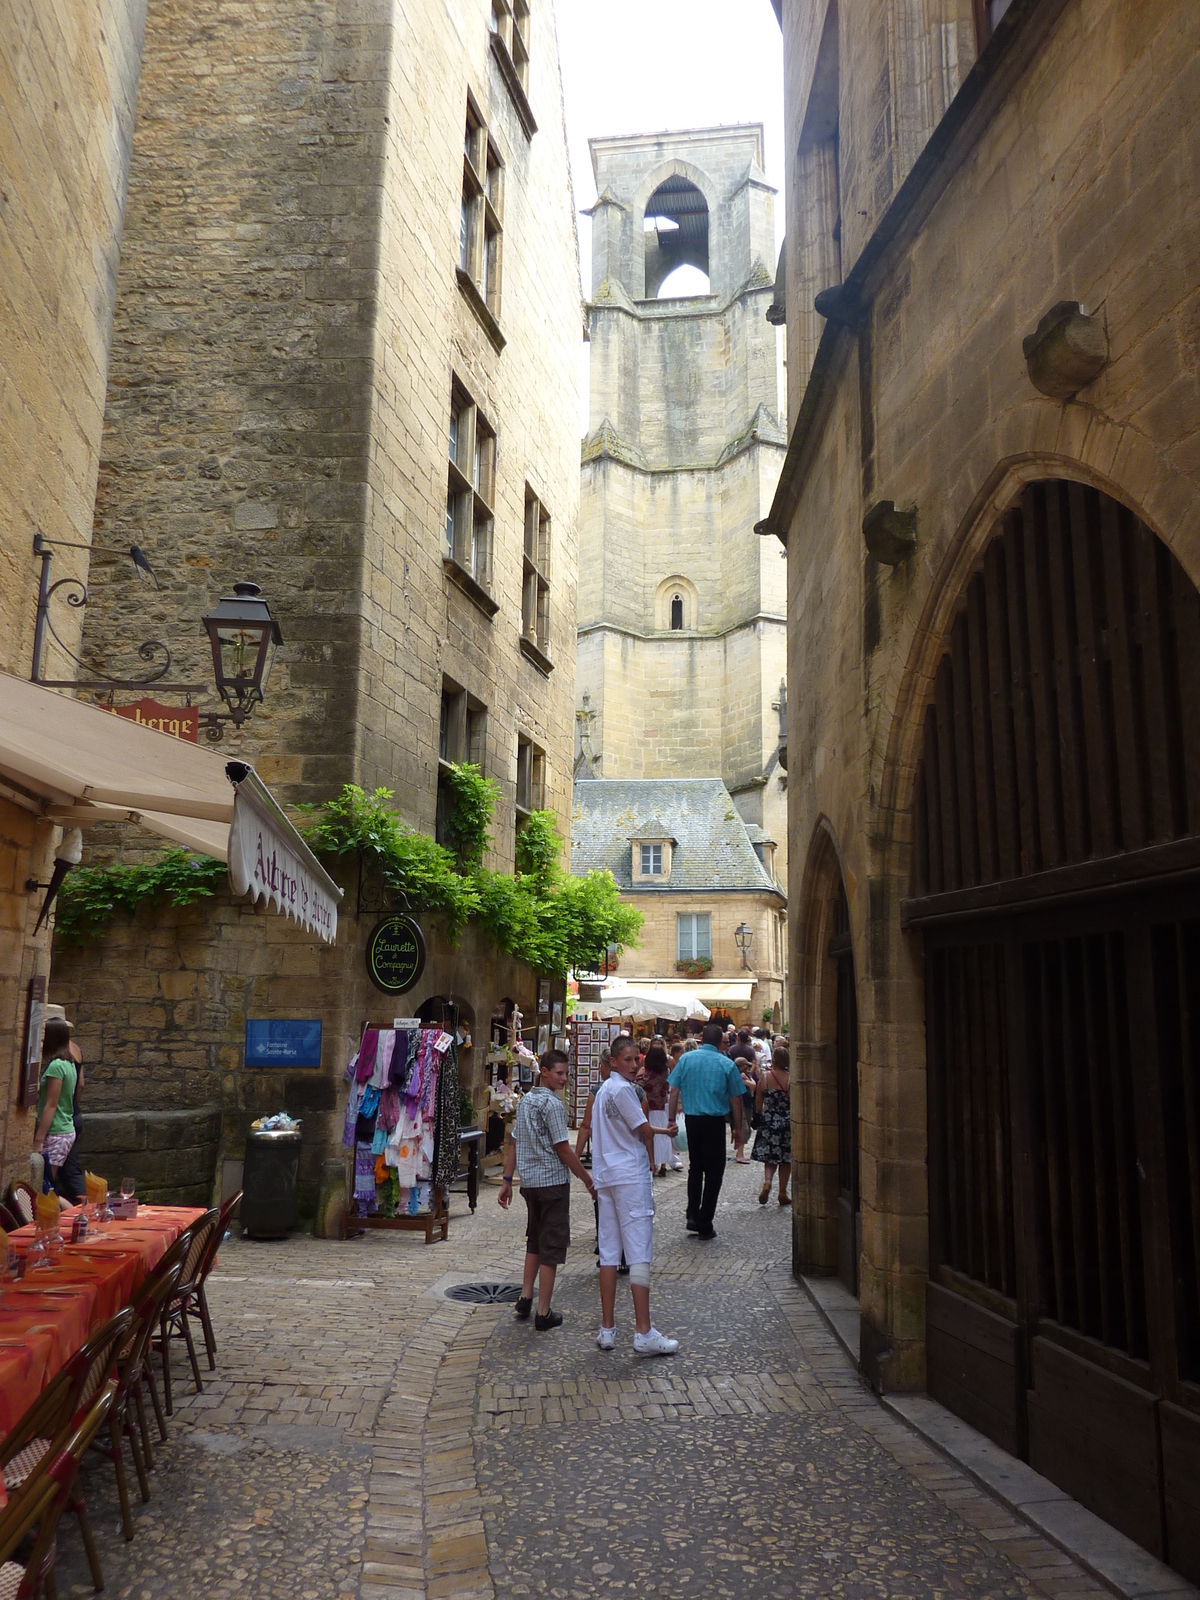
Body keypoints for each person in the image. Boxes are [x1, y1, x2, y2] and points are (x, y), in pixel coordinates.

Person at [592, 1034, 677, 1355]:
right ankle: (643, 1330)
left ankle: (608, 1328)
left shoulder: (603, 1092)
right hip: (628, 1175)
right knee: (639, 1249)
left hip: (608, 1175)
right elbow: (641, 1127)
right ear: (614, 1061)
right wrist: (664, 1132)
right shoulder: (623, 1090)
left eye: (635, 1059)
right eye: (626, 1059)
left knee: (611, 1252)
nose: (633, 1064)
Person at [499, 1048, 594, 1331]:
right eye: (559, 1073)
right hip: (552, 1183)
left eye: (566, 1073)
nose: (564, 1078)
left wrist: (507, 1179)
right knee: (551, 1245)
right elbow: (562, 1148)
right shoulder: (552, 1105)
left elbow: (515, 1142)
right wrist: (587, 1179)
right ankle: (543, 1312)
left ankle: (525, 1296)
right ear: (545, 1073)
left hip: (530, 1183)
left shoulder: (526, 1101)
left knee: (535, 1240)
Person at [667, 1020, 747, 1241]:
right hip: (714, 1122)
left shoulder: (686, 1060)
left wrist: (671, 1119)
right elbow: (736, 1099)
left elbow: (673, 1091)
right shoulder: (726, 1064)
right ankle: (705, 1220)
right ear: (720, 1042)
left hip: (692, 1120)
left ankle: (692, 1213)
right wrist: (737, 1129)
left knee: (696, 1167)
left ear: (702, 1039)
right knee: (714, 1172)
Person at [31, 1019, 78, 1196]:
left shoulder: (57, 1066)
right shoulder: (69, 1063)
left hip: (56, 1132)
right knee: (47, 1188)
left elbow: (51, 1104)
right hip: (63, 1130)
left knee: (45, 1190)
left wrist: (38, 1139)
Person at [752, 1044, 792, 1206]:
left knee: (769, 1156)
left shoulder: (765, 1077)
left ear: (774, 1059)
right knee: (786, 1158)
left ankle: (768, 1182)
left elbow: (759, 1101)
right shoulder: (790, 1078)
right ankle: (782, 1191)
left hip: (768, 1120)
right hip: (786, 1120)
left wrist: (758, 1116)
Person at [637, 1045, 677, 1175]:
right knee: (664, 1136)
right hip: (662, 1106)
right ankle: (664, 1164)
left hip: (649, 1108)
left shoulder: (646, 1074)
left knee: (650, 1136)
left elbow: (637, 1086)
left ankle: (652, 1162)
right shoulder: (666, 1072)